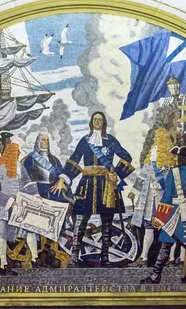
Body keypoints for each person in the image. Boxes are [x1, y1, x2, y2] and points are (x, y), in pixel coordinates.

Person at [52, 111, 134, 267]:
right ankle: (74, 256)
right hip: (87, 185)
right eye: (95, 120)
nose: (97, 122)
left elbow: (127, 157)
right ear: (91, 122)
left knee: (107, 223)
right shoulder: (85, 141)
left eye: (100, 120)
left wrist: (117, 174)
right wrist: (63, 179)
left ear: (103, 123)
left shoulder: (110, 141)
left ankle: (105, 257)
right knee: (80, 221)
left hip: (107, 186)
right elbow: (75, 160)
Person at [141, 148, 186, 284]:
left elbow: (166, 197)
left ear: (180, 159)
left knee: (165, 246)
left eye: (178, 158)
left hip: (175, 214)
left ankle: (155, 275)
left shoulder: (173, 173)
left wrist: (160, 218)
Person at [0, 143, 40, 275]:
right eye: (16, 151)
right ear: (10, 153)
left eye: (18, 151)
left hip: (20, 205)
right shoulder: (1, 169)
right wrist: (9, 202)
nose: (19, 153)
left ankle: (35, 259)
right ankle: (4, 265)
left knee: (29, 230)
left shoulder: (21, 167)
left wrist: (37, 196)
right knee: (2, 236)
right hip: (3, 208)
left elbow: (27, 182)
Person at [128, 128, 176, 267]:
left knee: (168, 228)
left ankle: (171, 257)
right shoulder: (150, 163)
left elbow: (170, 184)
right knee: (149, 228)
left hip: (164, 200)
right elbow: (141, 178)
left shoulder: (170, 165)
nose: (155, 142)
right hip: (149, 201)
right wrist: (134, 192)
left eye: (158, 139)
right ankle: (143, 257)